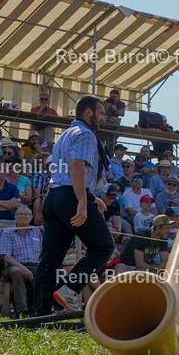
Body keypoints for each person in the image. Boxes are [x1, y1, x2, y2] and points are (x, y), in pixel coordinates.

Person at [35, 95, 117, 314]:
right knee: (104, 246)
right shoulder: (86, 135)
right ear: (88, 112)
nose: (102, 118)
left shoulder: (65, 135)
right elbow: (77, 166)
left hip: (52, 197)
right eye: (100, 113)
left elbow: (59, 171)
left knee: (50, 259)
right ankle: (70, 288)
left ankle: (40, 313)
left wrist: (89, 197)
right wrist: (82, 200)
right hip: (70, 196)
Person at [0, 206, 43, 317]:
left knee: (45, 274)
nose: (23, 216)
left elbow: (43, 253)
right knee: (17, 272)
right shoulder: (8, 233)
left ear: (31, 217)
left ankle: (43, 309)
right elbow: (6, 257)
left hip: (34, 265)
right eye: (20, 214)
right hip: (13, 266)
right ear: (15, 217)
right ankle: (21, 310)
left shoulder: (36, 231)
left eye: (26, 214)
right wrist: (24, 269)